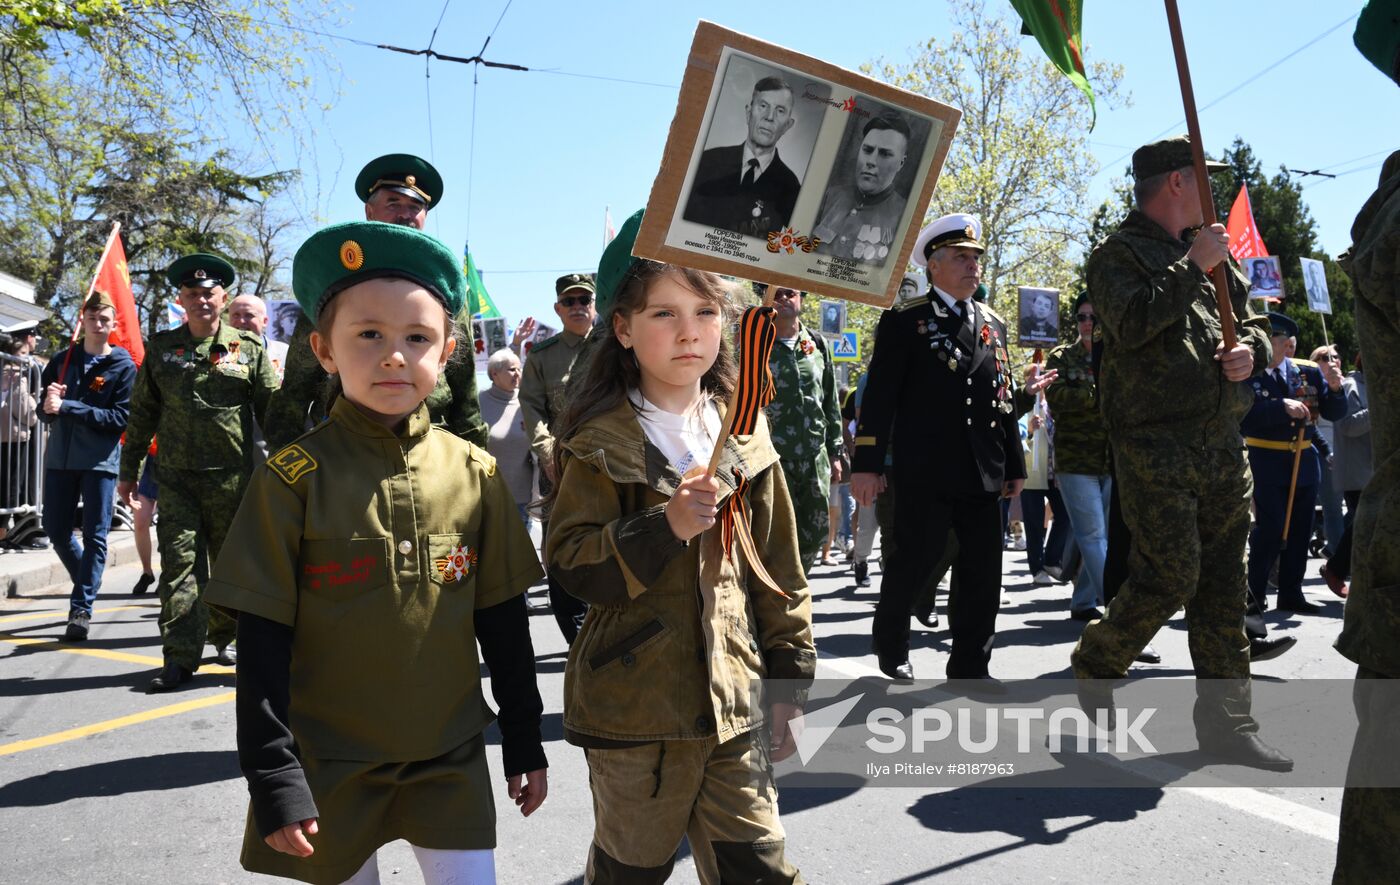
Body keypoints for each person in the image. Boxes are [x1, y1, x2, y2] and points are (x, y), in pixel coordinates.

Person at [204, 220, 547, 885]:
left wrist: (525, 739)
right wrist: (274, 774)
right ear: (323, 350)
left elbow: (504, 623)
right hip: (329, 763)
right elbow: (263, 639)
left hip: (448, 755)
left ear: (448, 351)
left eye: (417, 338)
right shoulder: (291, 479)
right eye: (369, 335)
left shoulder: (474, 473)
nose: (394, 355)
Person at [546, 209, 812, 884]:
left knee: (760, 872)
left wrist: (789, 680)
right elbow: (573, 561)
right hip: (637, 721)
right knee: (629, 873)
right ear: (624, 329)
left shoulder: (745, 435)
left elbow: (781, 574)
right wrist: (663, 526)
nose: (688, 330)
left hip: (735, 704)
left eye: (704, 309)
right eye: (663, 314)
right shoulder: (598, 442)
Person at [1070, 134, 1292, 770]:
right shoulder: (1119, 254)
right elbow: (1132, 324)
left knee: (1225, 586)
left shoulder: (1218, 254)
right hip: (1153, 442)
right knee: (1172, 573)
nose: (1213, 189)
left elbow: (1248, 324)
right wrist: (1192, 264)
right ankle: (1100, 658)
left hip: (1221, 442)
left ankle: (1228, 726)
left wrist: (1247, 353)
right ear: (1174, 182)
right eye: (1203, 177)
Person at [852, 213, 1025, 685]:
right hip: (925, 468)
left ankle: (971, 665)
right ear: (933, 265)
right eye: (961, 259)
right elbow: (881, 398)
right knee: (912, 561)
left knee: (983, 574)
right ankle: (892, 646)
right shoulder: (907, 319)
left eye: (975, 259)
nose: (973, 267)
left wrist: (1015, 461)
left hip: (982, 468)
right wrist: (865, 465)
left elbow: (1002, 396)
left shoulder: (993, 322)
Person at [117, 253, 278, 692]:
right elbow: (141, 414)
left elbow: (273, 415)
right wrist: (127, 472)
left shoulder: (249, 349)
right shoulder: (163, 350)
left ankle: (228, 638)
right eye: (192, 294)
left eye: (209, 293)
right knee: (179, 568)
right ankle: (180, 657)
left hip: (233, 481)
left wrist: (292, 470)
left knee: (232, 567)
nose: (201, 300)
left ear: (222, 297)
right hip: (175, 478)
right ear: (181, 299)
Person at [262, 153, 488, 451]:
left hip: (431, 444)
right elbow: (296, 387)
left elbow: (465, 391)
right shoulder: (336, 286)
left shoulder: (448, 290)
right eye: (393, 203)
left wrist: (476, 468)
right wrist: (287, 471)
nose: (405, 214)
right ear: (369, 212)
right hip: (346, 447)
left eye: (415, 206)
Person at [38, 290, 136, 641]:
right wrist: (48, 405)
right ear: (84, 320)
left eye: (104, 319)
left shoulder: (123, 367)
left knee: (95, 535)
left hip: (99, 462)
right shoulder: (63, 359)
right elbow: (43, 411)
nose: (98, 324)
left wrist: (69, 407)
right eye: (92, 317)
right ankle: (87, 580)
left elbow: (119, 417)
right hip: (60, 460)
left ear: (113, 323)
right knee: (56, 530)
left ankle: (81, 608)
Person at [1241, 312, 1346, 616]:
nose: (1260, 346)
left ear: (1285, 343)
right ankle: (1255, 594)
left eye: (1270, 341)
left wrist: (1336, 389)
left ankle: (1291, 593)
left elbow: (1334, 412)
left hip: (1303, 459)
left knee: (1301, 530)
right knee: (1270, 528)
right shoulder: (1249, 373)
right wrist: (1278, 407)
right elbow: (1241, 417)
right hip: (1265, 459)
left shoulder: (1308, 372)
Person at [519, 272, 600, 645]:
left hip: (612, 467)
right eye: (570, 302)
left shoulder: (616, 348)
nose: (578, 307)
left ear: (594, 305)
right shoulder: (542, 357)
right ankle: (578, 643)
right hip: (562, 469)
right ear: (558, 308)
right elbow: (532, 408)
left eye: (584, 300)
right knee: (564, 557)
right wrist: (546, 451)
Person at [761, 285, 843, 575]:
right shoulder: (754, 344)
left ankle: (799, 589)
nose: (784, 299)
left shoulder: (817, 345)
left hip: (814, 458)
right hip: (772, 459)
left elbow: (830, 400)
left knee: (813, 533)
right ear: (766, 299)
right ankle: (779, 604)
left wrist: (835, 452)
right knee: (774, 537)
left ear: (801, 300)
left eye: (791, 293)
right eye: (777, 293)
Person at [1046, 295, 1114, 621]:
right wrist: (1096, 395)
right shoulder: (1062, 357)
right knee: (1093, 535)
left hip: (1111, 458)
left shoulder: (1116, 355)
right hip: (1076, 461)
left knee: (1104, 537)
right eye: (1083, 317)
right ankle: (1118, 614)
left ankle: (1084, 601)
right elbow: (1056, 397)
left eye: (1094, 317)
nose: (1088, 323)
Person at [683, 76, 802, 237]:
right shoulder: (707, 161)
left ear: (788, 125)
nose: (769, 116)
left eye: (780, 111)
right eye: (763, 106)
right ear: (748, 113)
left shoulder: (791, 186)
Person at [813, 111, 910, 266]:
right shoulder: (830, 195)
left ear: (901, 163)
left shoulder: (905, 215)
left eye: (884, 154)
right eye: (867, 150)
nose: (871, 161)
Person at [1323, 351, 1371, 595]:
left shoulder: (1377, 386)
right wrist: (1379, 408)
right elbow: (1348, 426)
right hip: (1358, 474)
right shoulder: (1351, 385)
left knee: (1368, 526)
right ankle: (1335, 568)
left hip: (1374, 471)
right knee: (1364, 525)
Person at [481, 348, 535, 531]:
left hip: (522, 498)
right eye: (512, 369)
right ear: (494, 373)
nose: (517, 374)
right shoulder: (478, 402)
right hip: (487, 499)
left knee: (520, 557)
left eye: (519, 369)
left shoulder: (528, 403)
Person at [0, 336, 37, 519]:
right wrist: (35, 404)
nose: (27, 358)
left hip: (7, 436)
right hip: (14, 438)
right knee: (12, 487)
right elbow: (27, 413)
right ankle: (3, 534)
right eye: (23, 353)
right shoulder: (16, 375)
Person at [229, 293, 289, 380]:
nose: (242, 321)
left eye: (249, 315)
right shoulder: (219, 352)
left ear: (264, 321)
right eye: (236, 315)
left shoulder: (285, 353)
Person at [130, 447, 158, 595]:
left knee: (169, 524)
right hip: (150, 459)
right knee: (140, 522)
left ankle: (169, 573)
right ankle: (147, 572)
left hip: (174, 460)